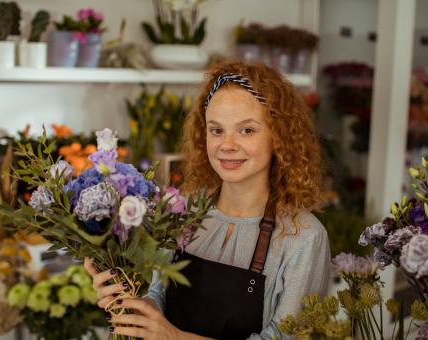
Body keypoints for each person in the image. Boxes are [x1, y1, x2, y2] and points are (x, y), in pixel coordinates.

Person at [84, 61, 331, 340]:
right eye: (216, 130)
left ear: (279, 135)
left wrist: (174, 337)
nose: (227, 145)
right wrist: (130, 305)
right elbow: (159, 296)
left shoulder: (303, 238)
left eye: (246, 130)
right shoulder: (182, 210)